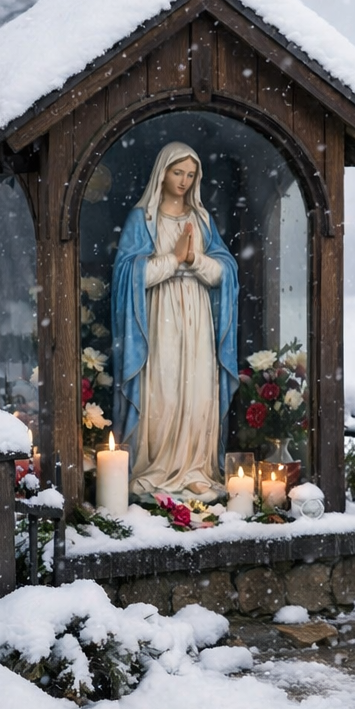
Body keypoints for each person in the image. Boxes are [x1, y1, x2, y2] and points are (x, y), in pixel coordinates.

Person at [111, 141, 240, 500]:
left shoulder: (201, 220)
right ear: (162, 173)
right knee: (163, 395)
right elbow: (129, 277)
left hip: (198, 316)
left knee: (199, 394)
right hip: (158, 315)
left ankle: (197, 468)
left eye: (191, 174)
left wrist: (195, 260)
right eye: (177, 172)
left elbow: (225, 274)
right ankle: (156, 469)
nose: (184, 181)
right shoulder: (143, 219)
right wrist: (172, 260)